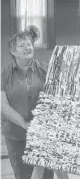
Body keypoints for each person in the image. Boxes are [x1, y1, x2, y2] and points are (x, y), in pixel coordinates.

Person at [1, 26, 54, 179]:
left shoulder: (45, 70)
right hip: (16, 135)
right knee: (23, 175)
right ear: (13, 51)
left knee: (46, 176)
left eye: (29, 43)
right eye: (22, 45)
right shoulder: (5, 74)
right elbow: (2, 105)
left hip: (43, 134)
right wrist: (24, 123)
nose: (27, 47)